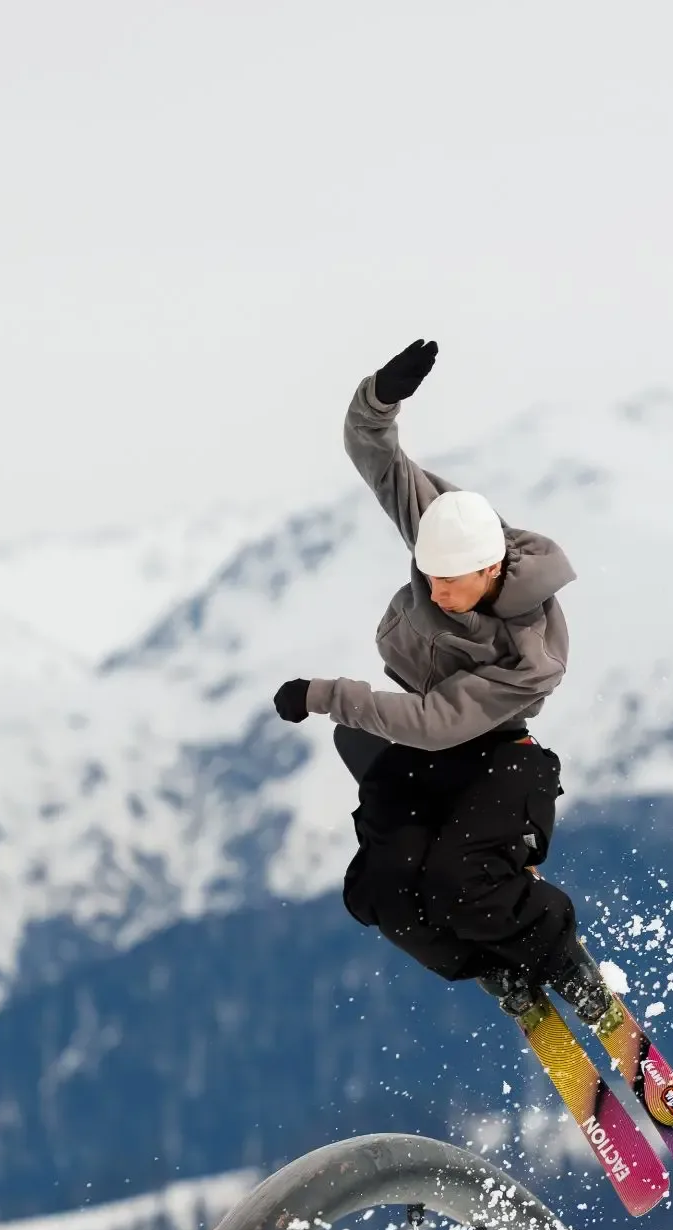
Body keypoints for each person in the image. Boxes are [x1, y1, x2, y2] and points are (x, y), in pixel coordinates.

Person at [272, 338, 609, 1024]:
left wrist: (325, 695)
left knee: (461, 881)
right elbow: (374, 456)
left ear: (491, 569)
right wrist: (380, 398)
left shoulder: (531, 650)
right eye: (427, 577)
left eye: (451, 583)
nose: (435, 592)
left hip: (497, 758)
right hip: (429, 758)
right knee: (383, 891)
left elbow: (437, 722)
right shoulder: (445, 533)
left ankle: (561, 958)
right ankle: (494, 969)